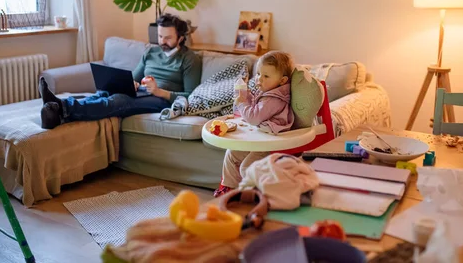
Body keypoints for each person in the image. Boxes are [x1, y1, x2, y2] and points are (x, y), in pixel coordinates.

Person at [39, 14, 202, 129]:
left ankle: (61, 107)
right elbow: (133, 78)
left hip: (162, 101)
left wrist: (159, 92)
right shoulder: (151, 52)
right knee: (105, 93)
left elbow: (191, 95)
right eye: (160, 36)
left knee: (119, 100)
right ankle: (56, 110)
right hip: (143, 93)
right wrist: (132, 83)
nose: (162, 41)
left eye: (168, 38)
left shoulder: (189, 59)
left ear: (180, 38)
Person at [214, 51, 295, 197]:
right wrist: (248, 97)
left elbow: (253, 117)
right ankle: (229, 189)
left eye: (266, 76)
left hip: (271, 143)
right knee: (231, 153)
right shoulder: (269, 92)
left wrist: (242, 103)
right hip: (261, 137)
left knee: (247, 168)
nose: (259, 79)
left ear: (282, 81)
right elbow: (258, 110)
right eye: (258, 74)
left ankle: (253, 197)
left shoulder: (275, 99)